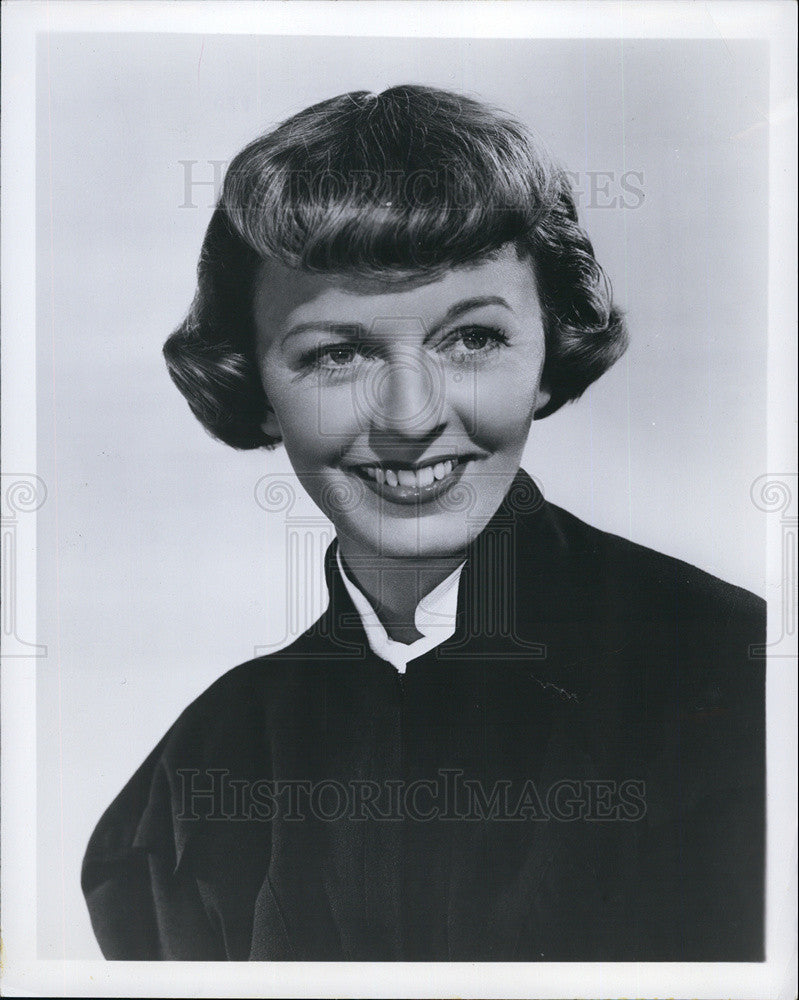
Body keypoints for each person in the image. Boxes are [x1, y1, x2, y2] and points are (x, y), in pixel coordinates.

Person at [82, 85, 765, 961]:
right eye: (337, 353)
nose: (409, 417)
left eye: (470, 339)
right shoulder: (199, 776)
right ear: (254, 390)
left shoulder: (740, 684)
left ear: (550, 358)